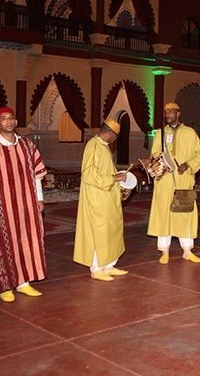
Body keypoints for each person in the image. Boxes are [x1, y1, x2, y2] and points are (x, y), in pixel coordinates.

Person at [0, 106, 47, 302]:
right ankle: (4, 286)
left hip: (27, 205)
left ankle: (24, 282)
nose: (8, 121)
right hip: (2, 208)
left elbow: (37, 176)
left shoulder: (27, 146)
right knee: (2, 244)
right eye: (4, 119)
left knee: (27, 241)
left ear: (16, 122)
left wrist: (39, 198)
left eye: (11, 118)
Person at [147, 102, 200, 264]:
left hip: (183, 180)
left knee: (184, 215)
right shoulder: (159, 133)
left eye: (171, 112)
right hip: (164, 182)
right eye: (166, 112)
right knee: (164, 215)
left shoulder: (189, 132)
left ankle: (187, 251)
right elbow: (154, 154)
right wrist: (159, 161)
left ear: (178, 113)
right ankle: (164, 252)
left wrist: (188, 164)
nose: (167, 114)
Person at [73, 119, 129, 281]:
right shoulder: (93, 146)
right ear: (110, 133)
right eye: (115, 136)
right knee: (100, 233)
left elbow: (106, 172)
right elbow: (88, 174)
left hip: (108, 199)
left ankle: (108, 265)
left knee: (112, 231)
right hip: (96, 199)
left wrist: (118, 178)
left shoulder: (104, 148)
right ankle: (96, 269)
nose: (115, 139)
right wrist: (113, 178)